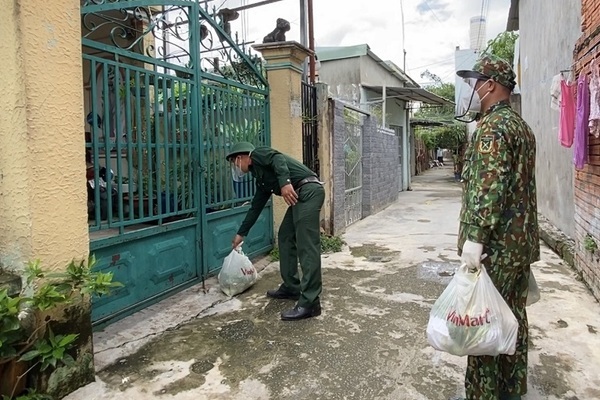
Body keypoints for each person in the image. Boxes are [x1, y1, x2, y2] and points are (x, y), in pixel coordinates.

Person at [454, 54, 539, 400]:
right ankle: (511, 390)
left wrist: (474, 238)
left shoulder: (491, 129)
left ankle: (484, 394)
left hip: (495, 248)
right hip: (518, 246)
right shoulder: (521, 127)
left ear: (490, 85)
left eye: (475, 83)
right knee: (512, 320)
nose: (472, 90)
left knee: (482, 324)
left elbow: (488, 188)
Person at [226, 142, 325, 321]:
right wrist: (242, 233)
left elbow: (277, 158)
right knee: (286, 236)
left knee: (306, 244)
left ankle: (311, 302)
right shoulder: (261, 179)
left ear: (241, 157)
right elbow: (255, 207)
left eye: (234, 162)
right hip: (299, 195)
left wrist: (285, 183)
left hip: (309, 190)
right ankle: (292, 287)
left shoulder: (258, 154)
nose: (235, 167)